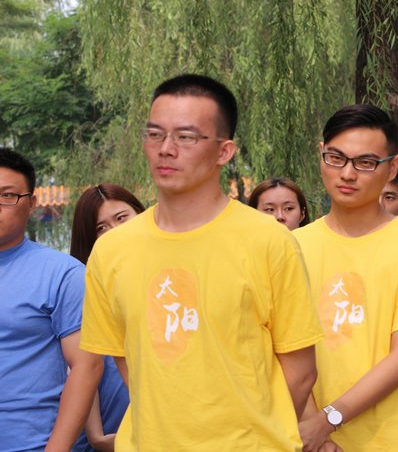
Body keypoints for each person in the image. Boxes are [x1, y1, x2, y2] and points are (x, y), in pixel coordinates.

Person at [79, 74, 322, 450]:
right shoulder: (112, 250)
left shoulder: (270, 241)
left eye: (186, 137)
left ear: (224, 151)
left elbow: (301, 372)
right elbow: (127, 361)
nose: (165, 149)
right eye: (155, 134)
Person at [293, 104, 398, 451]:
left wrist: (326, 421)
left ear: (393, 167)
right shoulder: (292, 247)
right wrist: (312, 429)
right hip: (309, 440)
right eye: (335, 158)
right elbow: (283, 347)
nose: (347, 174)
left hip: (394, 438)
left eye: (365, 162)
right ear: (321, 154)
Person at [0, 147, 104, 451]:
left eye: (7, 195)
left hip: (31, 443)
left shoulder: (62, 274)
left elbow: (87, 367)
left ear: (31, 203)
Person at [70, 184, 145, 451]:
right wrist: (97, 435)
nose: (115, 231)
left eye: (122, 218)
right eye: (101, 228)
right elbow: (83, 364)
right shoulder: (84, 286)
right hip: (112, 426)